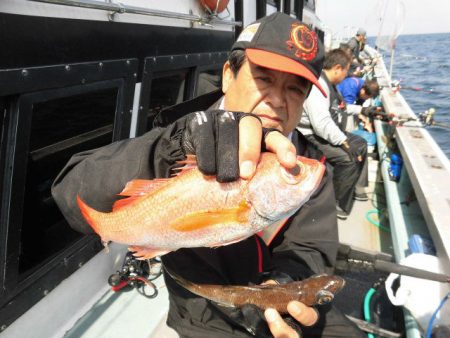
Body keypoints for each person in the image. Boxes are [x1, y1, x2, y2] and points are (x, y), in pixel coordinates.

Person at [52, 13, 364, 338]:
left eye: (295, 90)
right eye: (264, 79)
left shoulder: (307, 164)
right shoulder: (179, 137)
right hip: (201, 315)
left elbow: (312, 249)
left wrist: (282, 287)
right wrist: (174, 145)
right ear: (229, 76)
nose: (276, 100)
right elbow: (70, 193)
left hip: (276, 310)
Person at [298, 49, 369, 220]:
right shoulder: (318, 87)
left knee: (361, 144)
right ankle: (336, 203)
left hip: (327, 132)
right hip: (312, 135)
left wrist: (364, 109)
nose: (347, 74)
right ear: (338, 68)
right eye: (346, 70)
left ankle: (358, 188)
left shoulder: (332, 86)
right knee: (348, 159)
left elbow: (341, 109)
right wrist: (344, 142)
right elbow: (321, 125)